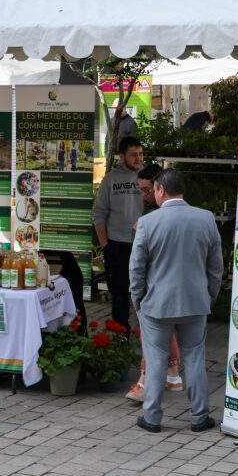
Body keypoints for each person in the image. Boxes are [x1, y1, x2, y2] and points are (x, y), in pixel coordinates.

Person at [130, 168, 223, 433]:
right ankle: (199, 417)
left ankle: (152, 418)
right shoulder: (206, 218)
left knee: (156, 358)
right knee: (194, 358)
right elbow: (216, 267)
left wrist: (138, 299)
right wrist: (208, 297)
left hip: (156, 305)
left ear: (160, 190)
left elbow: (136, 268)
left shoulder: (148, 222)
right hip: (195, 302)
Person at [126, 163, 183, 404]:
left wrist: (137, 295)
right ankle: (172, 375)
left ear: (160, 189)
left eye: (147, 190)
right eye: (141, 190)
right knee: (162, 329)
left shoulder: (153, 219)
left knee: (150, 332)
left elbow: (139, 264)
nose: (144, 195)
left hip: (158, 286)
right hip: (173, 286)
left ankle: (146, 379)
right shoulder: (155, 216)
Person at [93, 136, 144, 332]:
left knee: (148, 293)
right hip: (117, 245)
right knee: (119, 295)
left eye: (140, 154)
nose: (138, 159)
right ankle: (121, 336)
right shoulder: (110, 180)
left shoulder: (149, 177)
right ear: (121, 156)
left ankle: (149, 336)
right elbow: (98, 214)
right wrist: (105, 246)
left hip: (144, 244)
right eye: (133, 155)